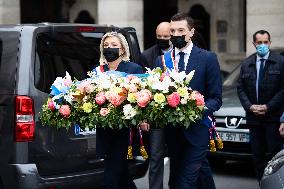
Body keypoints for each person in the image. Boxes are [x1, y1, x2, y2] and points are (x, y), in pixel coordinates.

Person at [152, 13, 222, 189]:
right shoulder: (160, 61)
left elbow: (216, 99)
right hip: (173, 132)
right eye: (173, 31)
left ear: (191, 32)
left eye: (181, 30)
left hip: (197, 130)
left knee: (186, 182)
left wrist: (195, 109)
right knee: (182, 177)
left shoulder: (208, 58)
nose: (176, 34)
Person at [95, 31, 144, 189]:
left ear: (122, 49)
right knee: (122, 177)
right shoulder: (97, 71)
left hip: (125, 131)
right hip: (105, 129)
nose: (109, 48)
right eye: (106, 45)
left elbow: (143, 97)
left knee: (110, 180)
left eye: (114, 45)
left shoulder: (134, 69)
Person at [237, 30, 284, 182]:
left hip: (272, 117)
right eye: (259, 43)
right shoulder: (246, 63)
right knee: (257, 155)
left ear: (270, 43)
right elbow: (240, 88)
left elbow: (283, 89)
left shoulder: (280, 61)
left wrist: (267, 107)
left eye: (265, 42)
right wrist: (250, 107)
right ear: (254, 44)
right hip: (253, 118)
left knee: (275, 154)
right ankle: (261, 183)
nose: (262, 45)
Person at [138, 21, 172, 189]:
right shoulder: (148, 55)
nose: (162, 39)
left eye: (166, 36)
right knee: (156, 157)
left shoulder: (178, 55)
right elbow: (143, 86)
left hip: (177, 112)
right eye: (159, 36)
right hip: (156, 115)